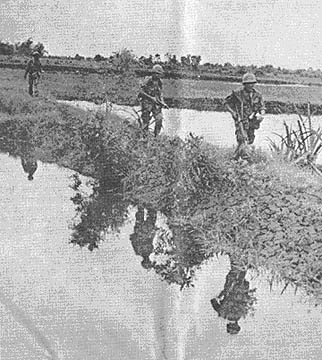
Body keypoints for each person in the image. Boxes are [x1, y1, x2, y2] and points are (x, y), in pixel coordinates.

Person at [224, 73, 266, 158]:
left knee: (250, 140)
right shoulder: (237, 94)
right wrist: (233, 113)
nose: (251, 85)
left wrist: (261, 115)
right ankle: (243, 159)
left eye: (252, 83)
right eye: (248, 83)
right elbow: (226, 103)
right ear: (244, 84)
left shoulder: (258, 95)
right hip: (241, 120)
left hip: (253, 122)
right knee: (242, 139)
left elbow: (262, 107)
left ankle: (235, 158)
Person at [210, 261, 257, 335]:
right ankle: (240, 258)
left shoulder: (241, 314)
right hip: (230, 288)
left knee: (241, 272)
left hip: (241, 289)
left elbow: (246, 301)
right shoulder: (223, 314)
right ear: (229, 325)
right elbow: (213, 300)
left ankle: (245, 260)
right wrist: (221, 295)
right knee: (234, 271)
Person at [138, 64, 167, 136]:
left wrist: (163, 102)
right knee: (145, 121)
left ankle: (156, 136)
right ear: (153, 73)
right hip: (146, 103)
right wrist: (151, 98)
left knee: (159, 119)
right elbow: (141, 92)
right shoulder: (148, 80)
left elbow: (160, 93)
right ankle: (144, 137)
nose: (158, 76)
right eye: (157, 74)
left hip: (156, 104)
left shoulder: (160, 82)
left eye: (159, 74)